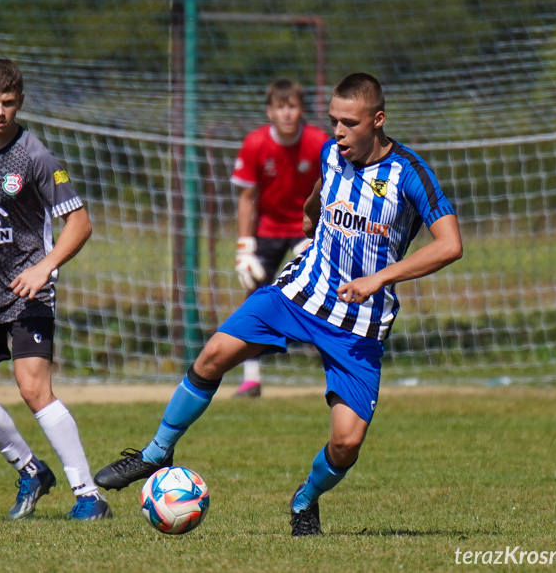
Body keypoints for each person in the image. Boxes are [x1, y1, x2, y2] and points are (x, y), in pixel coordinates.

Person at [93, 73, 462, 536]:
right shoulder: (332, 155)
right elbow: (316, 200)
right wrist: (311, 224)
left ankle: (305, 500)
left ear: (378, 120)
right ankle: (154, 454)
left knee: (346, 443)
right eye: (333, 121)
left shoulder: (410, 173)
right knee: (212, 355)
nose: (338, 132)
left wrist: (379, 279)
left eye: (349, 122)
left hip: (358, 323)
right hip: (300, 294)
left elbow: (450, 244)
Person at [0, 58, 111, 521]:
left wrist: (45, 268)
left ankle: (89, 495)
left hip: (28, 296)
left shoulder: (37, 157)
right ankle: (30, 469)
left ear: (20, 103)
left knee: (34, 389)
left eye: (8, 103)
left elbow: (80, 223)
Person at [231, 79, 330, 398]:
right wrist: (244, 247)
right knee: (253, 296)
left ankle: (335, 368)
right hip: (268, 230)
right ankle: (251, 378)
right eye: (280, 107)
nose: (287, 113)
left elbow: (331, 188)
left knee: (323, 291)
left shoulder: (318, 142)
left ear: (301, 110)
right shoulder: (255, 143)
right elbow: (247, 197)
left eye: (293, 106)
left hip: (306, 228)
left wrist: (320, 230)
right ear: (269, 111)